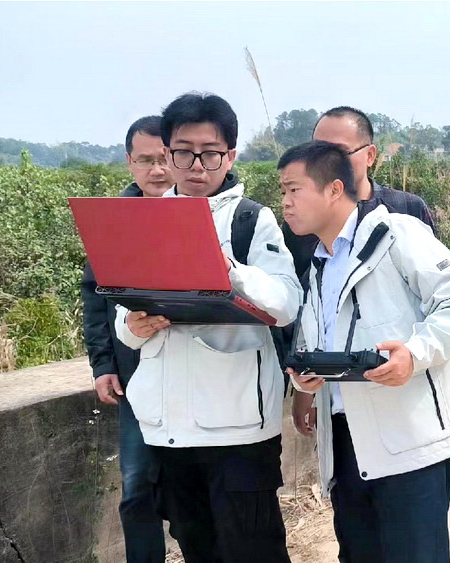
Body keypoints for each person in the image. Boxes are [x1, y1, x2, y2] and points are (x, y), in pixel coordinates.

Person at [115, 92, 301, 563]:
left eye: (210, 153)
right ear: (167, 153)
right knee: (196, 546)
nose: (197, 166)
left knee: (253, 549)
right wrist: (135, 325)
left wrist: (230, 270)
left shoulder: (251, 219)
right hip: (168, 426)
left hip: (237, 425)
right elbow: (123, 321)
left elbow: (286, 304)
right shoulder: (143, 220)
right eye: (184, 152)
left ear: (230, 155)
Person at [282, 140, 450, 562]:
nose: (286, 202)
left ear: (334, 189)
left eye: (294, 189)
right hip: (345, 440)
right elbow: (317, 342)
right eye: (283, 192)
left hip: (408, 441)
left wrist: (414, 353)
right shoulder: (318, 262)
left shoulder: (397, 233)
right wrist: (306, 378)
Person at [286, 106, 437, 438]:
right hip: (336, 403)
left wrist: (414, 356)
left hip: (403, 404)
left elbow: (438, 300)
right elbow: (306, 308)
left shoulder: (405, 212)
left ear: (370, 155)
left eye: (338, 153)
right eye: (316, 153)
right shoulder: (302, 224)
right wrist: (304, 388)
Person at [81, 115, 171, 563]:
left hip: (197, 376)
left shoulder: (204, 213)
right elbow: (95, 297)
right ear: (129, 163)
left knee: (196, 492)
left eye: (165, 158)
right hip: (135, 379)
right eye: (146, 160)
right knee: (137, 489)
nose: (158, 170)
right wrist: (103, 364)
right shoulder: (112, 222)